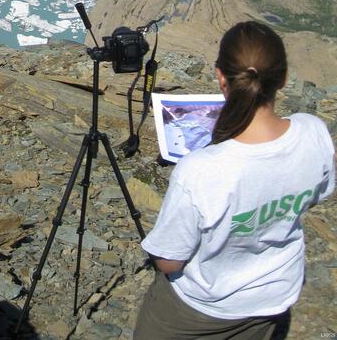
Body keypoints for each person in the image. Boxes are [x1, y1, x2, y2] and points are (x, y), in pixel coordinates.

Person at [134, 20, 335, 340]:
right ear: (283, 78)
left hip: (201, 307)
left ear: (221, 77)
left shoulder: (199, 170)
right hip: (272, 299)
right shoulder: (313, 133)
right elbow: (316, 193)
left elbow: (169, 262)